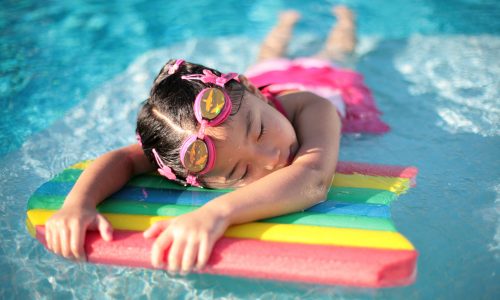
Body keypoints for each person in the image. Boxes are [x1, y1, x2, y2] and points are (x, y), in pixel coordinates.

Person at [45, 6, 363, 274]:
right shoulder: (197, 148)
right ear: (198, 183)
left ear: (252, 90)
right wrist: (77, 206)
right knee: (270, 59)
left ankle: (335, 20)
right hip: (256, 93)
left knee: (333, 51)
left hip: (324, 76)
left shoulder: (312, 106)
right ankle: (286, 23)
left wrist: (215, 213)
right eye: (240, 173)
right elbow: (127, 159)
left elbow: (314, 179)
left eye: (262, 131)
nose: (272, 159)